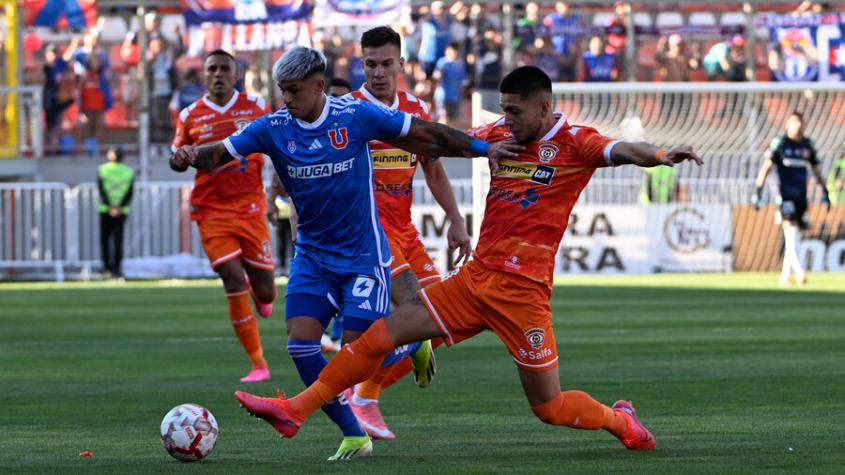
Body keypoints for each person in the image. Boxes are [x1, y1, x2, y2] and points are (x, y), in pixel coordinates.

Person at [232, 66, 704, 456]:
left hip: (523, 297)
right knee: (380, 335)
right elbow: (442, 141)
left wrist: (660, 154)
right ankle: (295, 410)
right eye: (504, 111)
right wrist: (364, 141)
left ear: (543, 107)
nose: (508, 121)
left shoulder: (576, 142)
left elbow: (622, 150)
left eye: (516, 112)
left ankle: (621, 421)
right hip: (474, 282)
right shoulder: (500, 135)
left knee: (549, 406)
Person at [171, 46, 519, 460]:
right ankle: (354, 434)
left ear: (319, 86)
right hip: (313, 257)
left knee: (358, 356)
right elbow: (220, 153)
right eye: (282, 90)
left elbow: (427, 134)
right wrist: (192, 156)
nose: (286, 99)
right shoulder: (272, 126)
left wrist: (483, 150)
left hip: (362, 258)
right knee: (301, 346)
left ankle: (409, 346)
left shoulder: (354, 117)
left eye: (294, 91)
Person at [346, 25, 471, 441]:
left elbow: (433, 167)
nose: (378, 72)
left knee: (443, 322)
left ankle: (366, 393)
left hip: (405, 230)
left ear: (401, 63)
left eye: (386, 64)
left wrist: (455, 218)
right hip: (368, 231)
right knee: (418, 312)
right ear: (360, 64)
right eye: (370, 64)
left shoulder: (415, 108)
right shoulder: (348, 111)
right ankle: (360, 392)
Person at [169, 50, 276, 383]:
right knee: (231, 277)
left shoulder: (256, 107)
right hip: (211, 210)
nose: (217, 74)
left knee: (268, 291)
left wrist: (276, 194)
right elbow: (175, 158)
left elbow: (279, 147)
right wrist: (182, 158)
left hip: (251, 206)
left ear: (236, 74)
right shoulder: (190, 115)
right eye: (211, 69)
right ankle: (258, 363)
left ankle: (259, 292)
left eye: (223, 69)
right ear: (203, 75)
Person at [753, 111, 830, 287]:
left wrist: (826, 192)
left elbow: (817, 171)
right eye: (795, 122)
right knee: (791, 232)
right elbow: (766, 168)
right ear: (787, 124)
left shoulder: (807, 145)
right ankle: (800, 271)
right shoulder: (780, 144)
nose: (799, 126)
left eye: (801, 122)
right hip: (784, 196)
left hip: (801, 198)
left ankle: (784, 277)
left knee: (794, 237)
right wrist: (758, 191)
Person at [98, 147, 134, 278]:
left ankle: (106, 267)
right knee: (118, 240)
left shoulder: (102, 169)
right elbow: (129, 193)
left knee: (105, 239)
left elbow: (101, 190)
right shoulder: (128, 171)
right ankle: (117, 268)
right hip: (122, 210)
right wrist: (119, 207)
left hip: (105, 209)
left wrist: (110, 206)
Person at [433, 43, 468, 124]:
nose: (453, 55)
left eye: (455, 52)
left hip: (455, 97)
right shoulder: (442, 62)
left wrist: (462, 96)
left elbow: (464, 81)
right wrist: (439, 74)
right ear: (446, 52)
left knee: (454, 121)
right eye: (451, 52)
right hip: (442, 96)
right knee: (443, 119)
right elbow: (435, 76)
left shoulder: (461, 64)